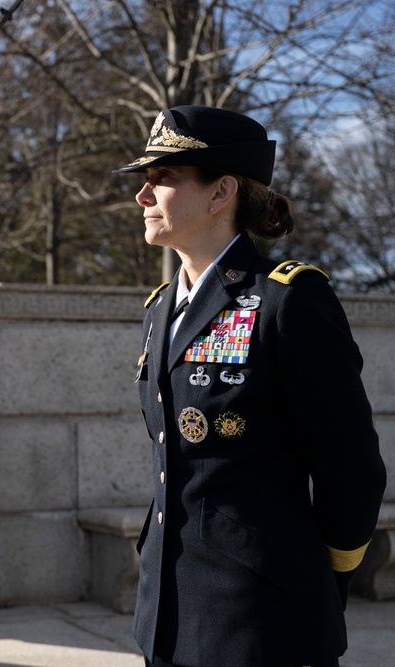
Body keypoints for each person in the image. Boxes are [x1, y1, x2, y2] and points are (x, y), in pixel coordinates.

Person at [114, 105, 387, 667]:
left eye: (162, 178)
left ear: (221, 194)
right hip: (167, 613)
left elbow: (350, 466)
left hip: (262, 617)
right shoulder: (161, 309)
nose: (142, 196)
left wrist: (320, 577)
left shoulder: (289, 300)